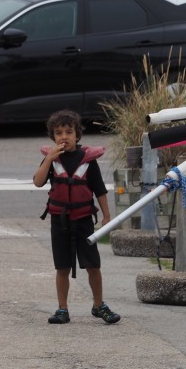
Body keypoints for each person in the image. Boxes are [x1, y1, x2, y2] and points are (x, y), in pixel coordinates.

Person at [33, 109, 120, 325]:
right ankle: (62, 309)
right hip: (59, 221)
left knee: (93, 265)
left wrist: (107, 216)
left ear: (77, 136)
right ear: (53, 137)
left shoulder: (88, 161)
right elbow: (37, 181)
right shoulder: (51, 160)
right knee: (62, 267)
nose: (64, 137)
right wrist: (48, 159)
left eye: (69, 132)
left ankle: (99, 305)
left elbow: (99, 190)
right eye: (59, 133)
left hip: (83, 221)